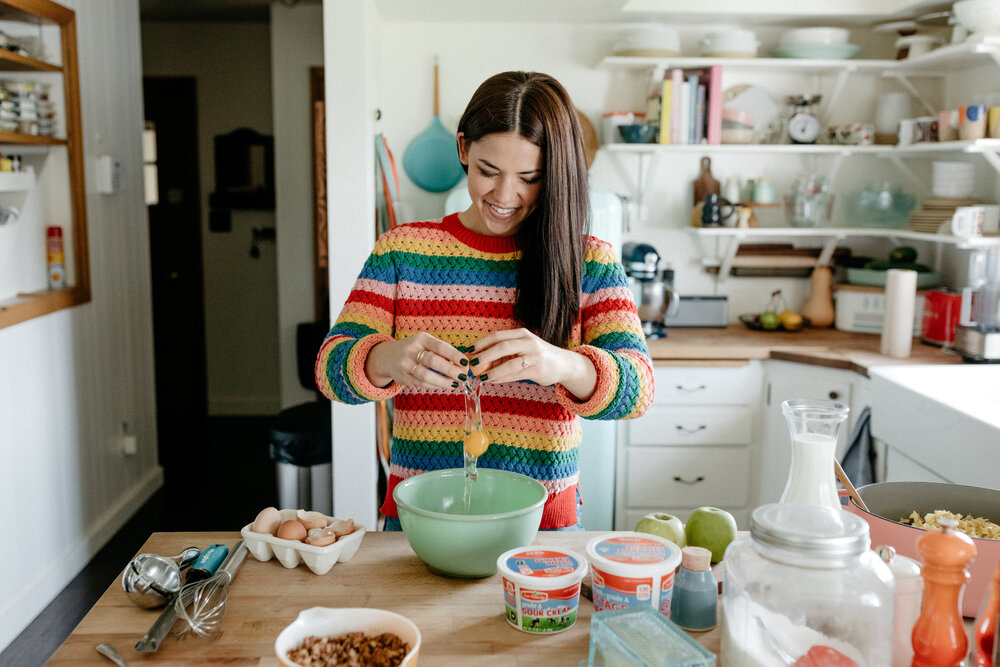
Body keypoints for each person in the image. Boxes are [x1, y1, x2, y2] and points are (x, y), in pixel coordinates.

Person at [316, 71, 654, 531]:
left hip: (542, 528)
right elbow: (330, 370)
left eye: (529, 178)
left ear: (556, 174)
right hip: (421, 521)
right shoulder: (403, 250)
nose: (504, 195)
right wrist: (385, 358)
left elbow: (638, 389)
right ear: (462, 151)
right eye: (487, 171)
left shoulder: (589, 260)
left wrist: (560, 365)